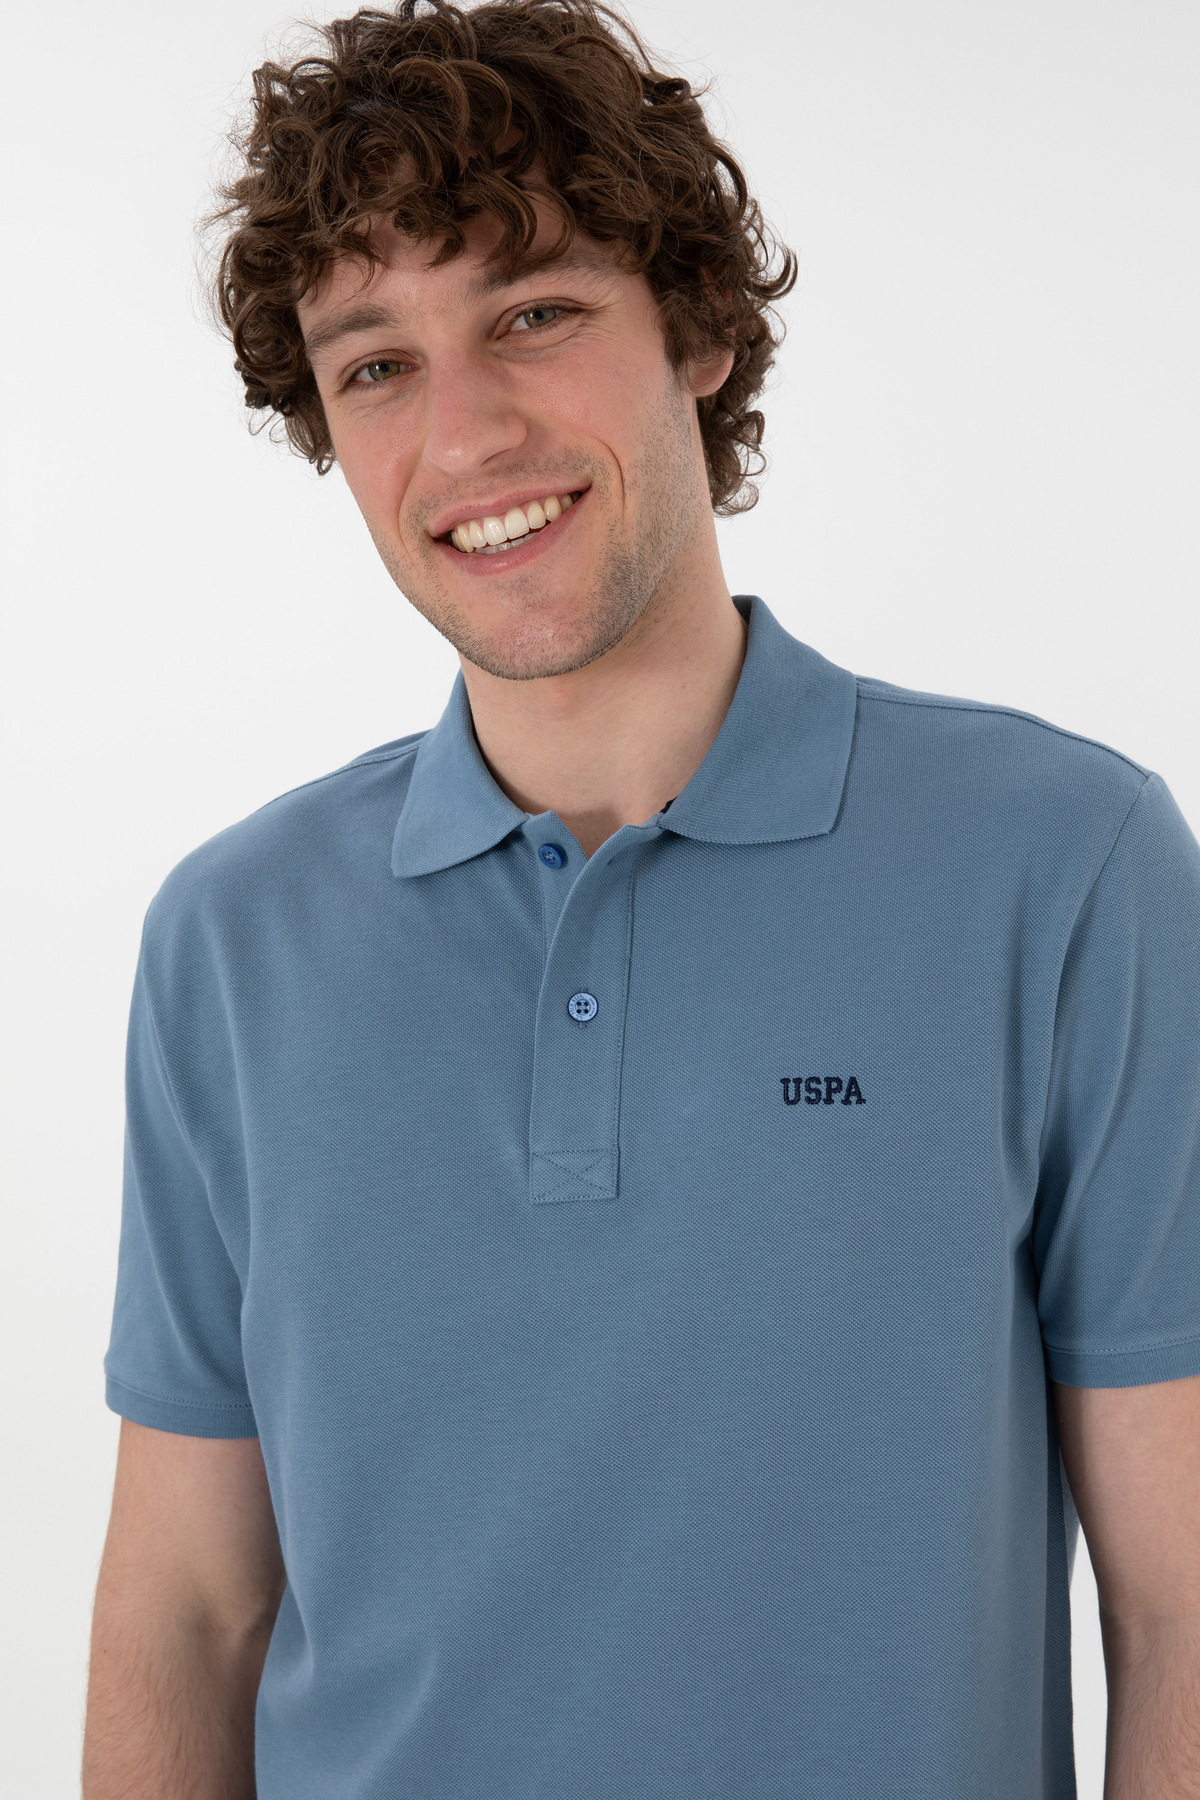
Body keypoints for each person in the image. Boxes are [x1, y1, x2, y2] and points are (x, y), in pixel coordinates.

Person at [82, 2, 1200, 1795]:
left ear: (694, 327)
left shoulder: (1063, 866)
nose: (465, 435)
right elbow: (186, 1612)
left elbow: (1177, 1601)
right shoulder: (232, 940)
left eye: (532, 313)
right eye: (377, 365)